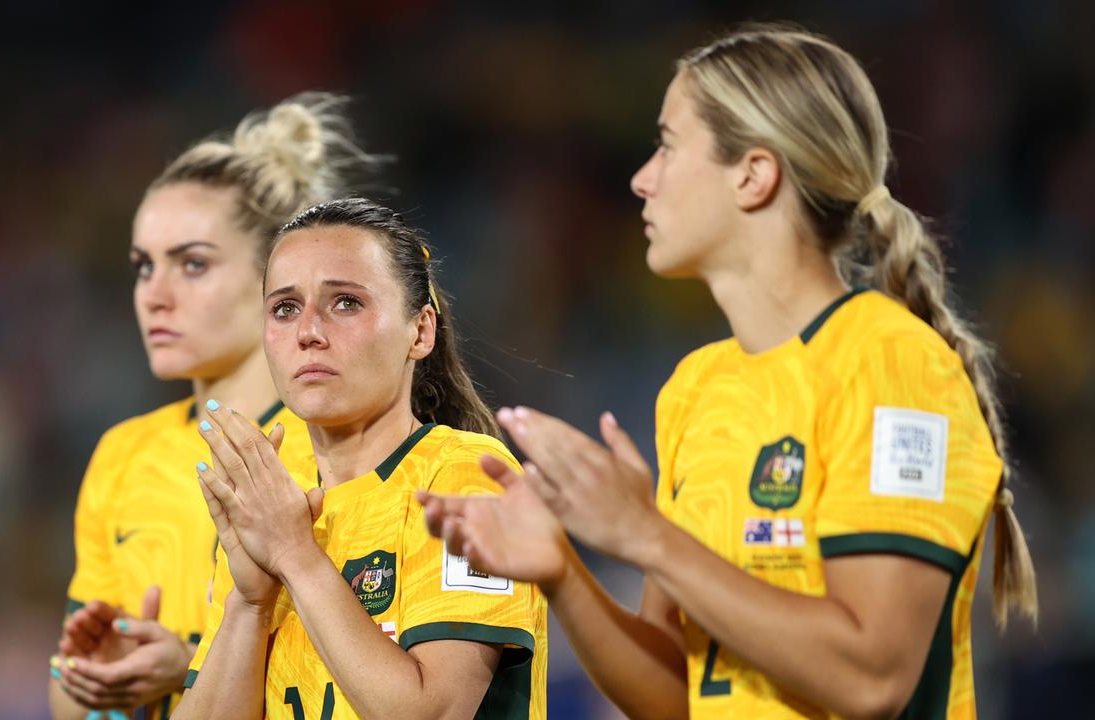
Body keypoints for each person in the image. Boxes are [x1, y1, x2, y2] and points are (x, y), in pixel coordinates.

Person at [419, 25, 1038, 719]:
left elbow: (873, 679)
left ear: (753, 174)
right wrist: (563, 574)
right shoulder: (698, 387)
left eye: (668, 144)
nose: (641, 177)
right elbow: (679, 698)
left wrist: (646, 534)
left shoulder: (894, 366)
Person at [50, 94, 381, 720]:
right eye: (143, 267)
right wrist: (100, 679)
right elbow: (67, 699)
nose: (155, 294)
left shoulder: (346, 445)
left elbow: (378, 678)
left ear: (272, 277)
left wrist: (189, 664)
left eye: (192, 264)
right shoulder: (124, 455)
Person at [177, 198, 548, 719]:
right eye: (285, 308)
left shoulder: (466, 480)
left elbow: (433, 713)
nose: (308, 331)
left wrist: (295, 554)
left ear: (420, 331)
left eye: (346, 302)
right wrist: (250, 603)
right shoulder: (275, 500)